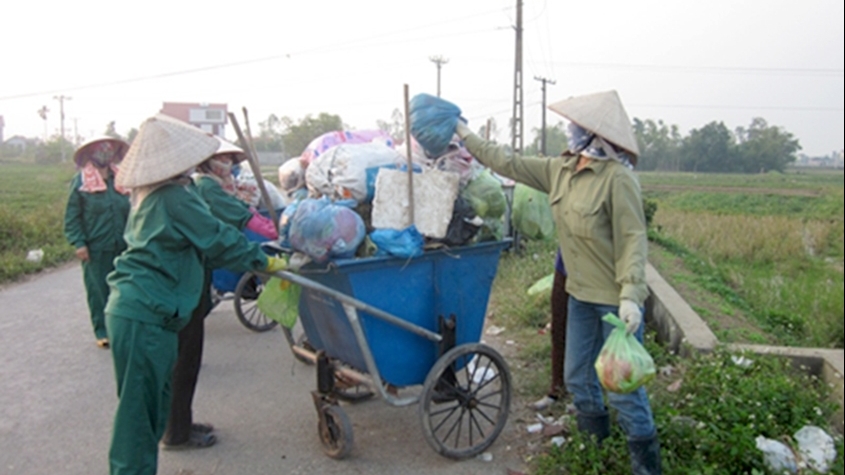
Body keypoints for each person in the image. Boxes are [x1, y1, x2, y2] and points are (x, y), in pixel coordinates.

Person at [449, 90, 661, 474]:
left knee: (624, 389)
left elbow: (633, 239)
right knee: (577, 377)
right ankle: (596, 453)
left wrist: (632, 296)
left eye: (576, 127)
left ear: (595, 136)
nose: (570, 132)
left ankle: (646, 468)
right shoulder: (559, 170)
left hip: (615, 302)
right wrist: (465, 134)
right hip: (578, 294)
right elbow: (507, 161)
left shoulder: (617, 180)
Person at [103, 114, 288, 475]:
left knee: (151, 412)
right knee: (138, 421)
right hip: (144, 312)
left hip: (145, 310)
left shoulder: (157, 193)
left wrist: (259, 258)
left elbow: (210, 243)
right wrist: (265, 262)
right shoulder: (174, 196)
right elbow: (217, 237)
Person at [160, 137, 278, 450]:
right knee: (183, 359)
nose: (227, 165)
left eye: (229, 159)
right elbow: (217, 235)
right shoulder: (191, 190)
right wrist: (263, 257)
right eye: (221, 158)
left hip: (187, 279)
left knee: (187, 357)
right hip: (180, 283)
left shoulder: (188, 188)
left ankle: (180, 423)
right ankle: (176, 432)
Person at [63, 136, 131, 348]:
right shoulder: (82, 182)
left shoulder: (120, 179)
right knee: (99, 290)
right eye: (100, 149)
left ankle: (122, 328)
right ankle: (103, 331)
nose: (105, 152)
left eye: (109, 149)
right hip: (96, 246)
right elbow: (72, 216)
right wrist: (79, 243)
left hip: (123, 245)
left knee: (124, 288)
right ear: (91, 153)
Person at [530, 248, 570, 411]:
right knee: (559, 328)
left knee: (587, 336)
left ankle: (585, 397)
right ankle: (557, 388)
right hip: (566, 264)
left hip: (591, 269)